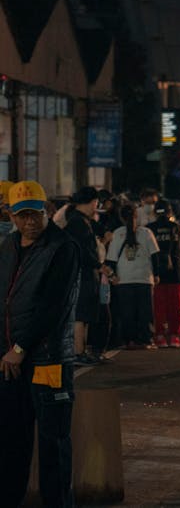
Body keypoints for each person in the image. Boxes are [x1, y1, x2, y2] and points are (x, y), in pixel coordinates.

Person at [0, 181, 81, 507]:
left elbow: (54, 307)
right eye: (22, 215)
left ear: (47, 211)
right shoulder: (8, 246)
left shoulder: (63, 247)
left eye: (35, 213)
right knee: (11, 442)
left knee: (54, 444)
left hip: (48, 360)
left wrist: (19, 348)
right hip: (10, 362)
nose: (29, 221)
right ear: (11, 215)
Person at [105, 204, 160, 349]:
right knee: (144, 312)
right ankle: (145, 339)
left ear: (122, 218)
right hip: (144, 277)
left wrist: (112, 276)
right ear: (137, 216)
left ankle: (128, 340)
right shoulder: (146, 233)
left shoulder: (117, 233)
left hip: (124, 278)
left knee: (126, 312)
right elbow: (155, 256)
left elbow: (111, 259)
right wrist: (157, 274)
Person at [63, 187, 103, 366]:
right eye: (96, 202)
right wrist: (99, 265)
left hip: (84, 272)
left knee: (85, 314)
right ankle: (78, 353)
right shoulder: (78, 222)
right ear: (91, 201)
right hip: (82, 273)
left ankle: (81, 350)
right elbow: (83, 250)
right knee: (81, 313)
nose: (97, 206)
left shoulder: (78, 220)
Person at [148, 200, 180, 348]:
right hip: (174, 273)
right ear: (169, 212)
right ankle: (174, 336)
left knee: (158, 306)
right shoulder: (177, 228)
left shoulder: (149, 229)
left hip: (156, 273)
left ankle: (159, 336)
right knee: (175, 306)